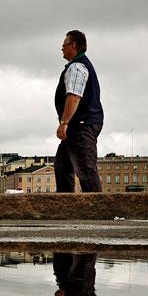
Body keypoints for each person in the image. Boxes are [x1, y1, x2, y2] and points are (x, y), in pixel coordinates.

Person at [54, 30, 104, 192]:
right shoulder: (79, 65)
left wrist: (64, 122)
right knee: (62, 166)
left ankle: (98, 210)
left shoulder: (77, 67)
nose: (61, 49)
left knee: (85, 168)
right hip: (79, 125)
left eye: (64, 45)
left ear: (73, 45)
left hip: (81, 124)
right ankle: (65, 205)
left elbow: (74, 96)